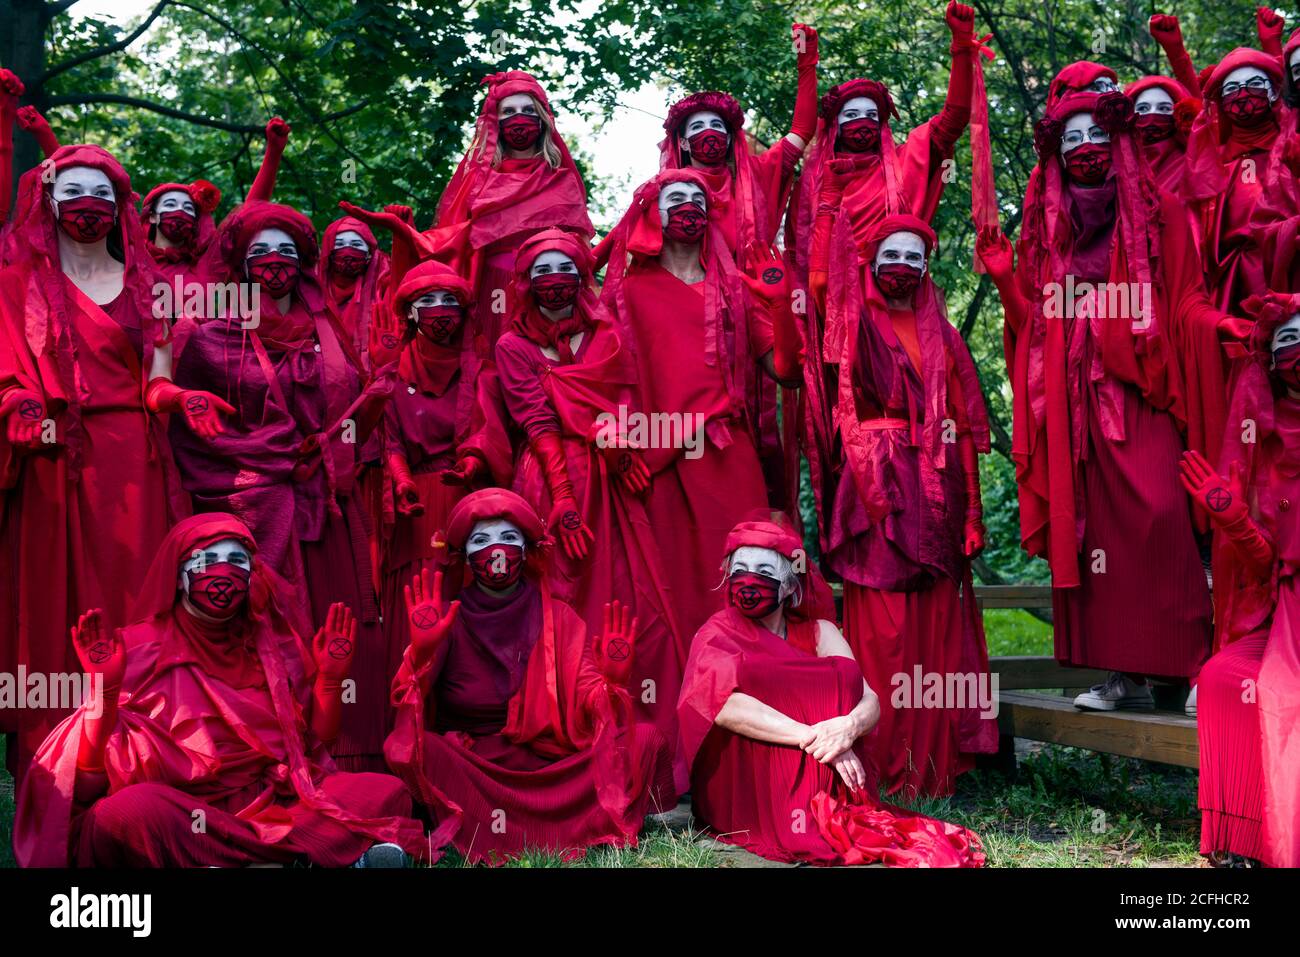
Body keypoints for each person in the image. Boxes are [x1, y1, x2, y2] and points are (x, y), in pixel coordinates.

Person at [979, 89, 1226, 710]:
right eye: (1072, 141)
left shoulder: (1161, 209)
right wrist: (1008, 279)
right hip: (1073, 398)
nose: (1085, 149)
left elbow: (1188, 297)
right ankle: (1124, 676)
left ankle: (1196, 667)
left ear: (1119, 145)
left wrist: (1217, 328)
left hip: (1142, 386)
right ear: (1057, 155)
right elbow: (1034, 323)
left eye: (1096, 138)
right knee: (1097, 536)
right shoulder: (1049, 225)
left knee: (1162, 515)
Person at [13, 513, 429, 867]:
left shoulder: (277, 645)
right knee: (128, 813)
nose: (223, 570)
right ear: (178, 578)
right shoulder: (136, 647)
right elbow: (87, 786)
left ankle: (236, 858)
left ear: (252, 574)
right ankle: (313, 856)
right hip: (183, 810)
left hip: (275, 804)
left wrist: (330, 679)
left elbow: (316, 745)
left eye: (237, 560)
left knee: (384, 792)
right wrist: (104, 692)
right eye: (207, 559)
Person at [0, 143, 225, 781]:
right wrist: (17, 403)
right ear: (48, 201)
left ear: (120, 205)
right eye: (72, 193)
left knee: (139, 605)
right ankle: (57, 763)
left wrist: (181, 396)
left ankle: (145, 757)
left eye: (100, 194)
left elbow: (156, 380)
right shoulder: (16, 284)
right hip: (53, 461)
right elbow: (7, 368)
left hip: (136, 462)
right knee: (59, 605)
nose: (87, 207)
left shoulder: (148, 288)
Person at [170, 199, 392, 771]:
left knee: (339, 631)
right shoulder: (210, 329)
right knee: (274, 627)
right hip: (252, 505)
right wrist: (265, 460)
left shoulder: (327, 326)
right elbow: (190, 425)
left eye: (287, 252)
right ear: (240, 263)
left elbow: (347, 409)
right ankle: (268, 761)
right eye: (261, 252)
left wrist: (357, 420)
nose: (275, 262)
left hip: (327, 501)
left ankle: (352, 761)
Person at [384, 488, 676, 863]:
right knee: (413, 746)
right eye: (481, 540)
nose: (497, 550)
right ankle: (557, 826)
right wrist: (420, 653)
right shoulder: (448, 617)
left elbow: (588, 691)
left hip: (551, 765)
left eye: (509, 538)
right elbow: (411, 705)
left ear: (527, 550)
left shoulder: (560, 616)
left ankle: (548, 825)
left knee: (647, 738)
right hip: (479, 770)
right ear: (465, 556)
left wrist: (610, 684)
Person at [677, 515, 986, 866]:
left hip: (825, 763)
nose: (749, 579)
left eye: (764, 570)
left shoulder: (821, 631)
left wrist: (846, 729)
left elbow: (868, 699)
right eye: (740, 568)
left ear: (791, 586)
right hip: (749, 785)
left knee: (842, 675)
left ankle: (826, 800)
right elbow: (725, 706)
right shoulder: (717, 633)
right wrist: (820, 740)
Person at [815, 214, 996, 797]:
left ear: (925, 269)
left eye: (914, 257)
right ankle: (875, 765)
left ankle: (929, 770)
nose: (902, 267)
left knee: (932, 631)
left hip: (937, 491)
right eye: (890, 255)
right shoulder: (850, 323)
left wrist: (971, 514)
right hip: (876, 488)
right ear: (871, 262)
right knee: (882, 635)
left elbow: (965, 428)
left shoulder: (945, 335)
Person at [495, 226, 684, 787]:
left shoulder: (606, 331)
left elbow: (622, 400)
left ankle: (631, 744)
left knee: (627, 598)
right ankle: (559, 742)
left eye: (565, 270)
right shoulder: (513, 347)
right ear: (526, 283)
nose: (555, 282)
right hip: (556, 483)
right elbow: (537, 422)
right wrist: (563, 498)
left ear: (581, 278)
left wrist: (622, 448)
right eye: (542, 272)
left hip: (611, 482)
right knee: (560, 600)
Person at [600, 169, 792, 666]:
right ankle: (678, 722)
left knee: (743, 580)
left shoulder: (736, 289)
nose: (688, 205)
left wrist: (779, 307)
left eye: (697, 197)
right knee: (672, 593)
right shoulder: (627, 290)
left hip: (728, 459)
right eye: (675, 197)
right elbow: (602, 378)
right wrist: (620, 448)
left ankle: (756, 712)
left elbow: (785, 373)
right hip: (657, 460)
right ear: (652, 213)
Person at [1186, 293, 1300, 868]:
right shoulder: (1263, 446)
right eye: (1287, 341)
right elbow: (1270, 567)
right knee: (1221, 675)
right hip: (1288, 613)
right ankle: (1240, 839)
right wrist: (1232, 518)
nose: (1299, 351)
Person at [428, 71, 593, 347]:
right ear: (495, 121)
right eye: (509, 111)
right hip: (493, 288)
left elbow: (581, 251)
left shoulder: (561, 178)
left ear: (541, 118)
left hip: (551, 291)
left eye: (528, 109)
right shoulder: (477, 180)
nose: (519, 116)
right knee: (495, 366)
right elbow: (450, 240)